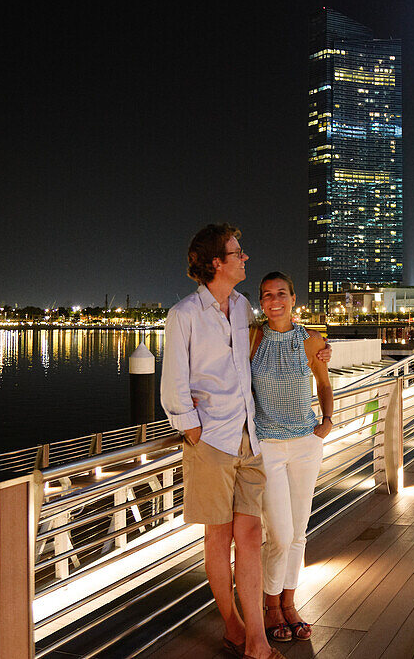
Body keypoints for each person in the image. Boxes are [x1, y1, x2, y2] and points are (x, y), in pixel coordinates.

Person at [160, 224, 282, 659]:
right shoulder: (185, 314)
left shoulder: (243, 306)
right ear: (216, 262)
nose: (245, 257)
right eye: (237, 252)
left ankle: (256, 640)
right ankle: (233, 626)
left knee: (251, 534)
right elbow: (173, 383)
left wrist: (313, 350)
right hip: (211, 439)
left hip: (249, 437)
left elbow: (252, 359)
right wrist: (193, 429)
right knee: (219, 536)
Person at [249, 272, 333, 643]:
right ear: (262, 302)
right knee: (279, 534)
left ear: (293, 298)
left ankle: (289, 602)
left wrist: (326, 422)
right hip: (267, 446)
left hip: (305, 443)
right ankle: (270, 606)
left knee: (299, 531)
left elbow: (324, 383)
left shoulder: (312, 340)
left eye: (281, 293)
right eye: (267, 295)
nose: (274, 300)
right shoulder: (251, 339)